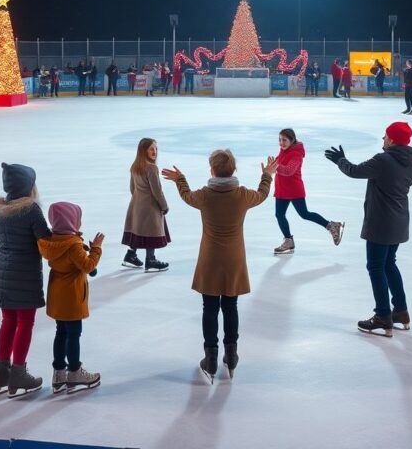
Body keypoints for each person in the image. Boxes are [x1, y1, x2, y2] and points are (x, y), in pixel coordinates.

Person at [162, 149, 278, 382]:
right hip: (234, 259)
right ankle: (231, 354)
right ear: (233, 170)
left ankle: (211, 357)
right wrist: (267, 175)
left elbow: (186, 196)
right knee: (231, 306)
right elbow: (263, 194)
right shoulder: (242, 195)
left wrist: (180, 180)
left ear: (212, 170)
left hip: (210, 259)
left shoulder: (205, 195)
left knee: (210, 307)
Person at [324, 122, 412, 336]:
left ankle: (383, 316)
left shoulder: (383, 160)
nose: (383, 139)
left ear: (393, 140)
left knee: (376, 267)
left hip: (381, 223)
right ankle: (401, 311)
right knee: (389, 264)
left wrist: (340, 160)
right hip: (399, 221)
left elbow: (355, 171)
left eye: (385, 136)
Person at [0, 162, 51, 397]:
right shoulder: (31, 210)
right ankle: (18, 372)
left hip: (3, 270)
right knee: (25, 322)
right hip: (24, 273)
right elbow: (43, 239)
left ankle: (2, 372)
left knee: (8, 320)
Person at [38, 202, 103, 393]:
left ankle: (59, 372)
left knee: (61, 332)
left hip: (57, 295)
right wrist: (96, 249)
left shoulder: (52, 241)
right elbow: (88, 266)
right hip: (72, 296)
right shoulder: (73, 245)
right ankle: (74, 371)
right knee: (74, 334)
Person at [272, 128, 344, 254]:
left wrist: (276, 167)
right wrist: (271, 165)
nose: (281, 143)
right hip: (282, 189)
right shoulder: (284, 149)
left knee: (304, 214)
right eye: (279, 140)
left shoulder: (297, 153)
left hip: (294, 189)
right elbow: (278, 161)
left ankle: (332, 226)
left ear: (292, 140)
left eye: (284, 140)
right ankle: (288, 240)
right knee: (279, 214)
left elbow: (289, 170)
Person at [121, 138, 170, 271]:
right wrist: (164, 206)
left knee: (137, 229)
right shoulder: (151, 167)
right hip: (150, 206)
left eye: (156, 149)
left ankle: (130, 255)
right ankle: (151, 260)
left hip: (136, 204)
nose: (154, 151)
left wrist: (138, 200)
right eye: (151, 149)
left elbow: (132, 188)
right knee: (150, 231)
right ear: (144, 151)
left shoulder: (135, 166)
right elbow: (157, 191)